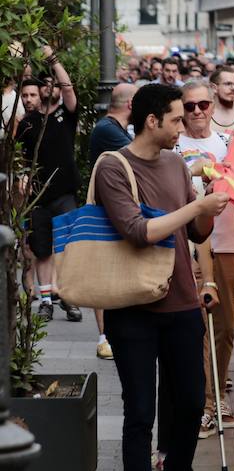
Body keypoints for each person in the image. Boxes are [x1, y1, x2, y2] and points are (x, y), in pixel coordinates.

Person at [95, 83, 229, 471]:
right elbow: (137, 231)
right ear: (152, 121)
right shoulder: (114, 167)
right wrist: (195, 204)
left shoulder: (177, 164)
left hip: (181, 303)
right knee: (139, 413)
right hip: (133, 308)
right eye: (176, 118)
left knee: (191, 401)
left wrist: (209, 203)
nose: (183, 126)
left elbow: (194, 231)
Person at [174, 81, 234, 437]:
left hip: (227, 240)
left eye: (203, 104)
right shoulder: (174, 146)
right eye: (190, 106)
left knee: (226, 326)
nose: (197, 111)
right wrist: (191, 170)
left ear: (214, 105)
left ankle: (218, 393)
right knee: (198, 325)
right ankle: (206, 403)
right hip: (188, 246)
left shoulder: (231, 144)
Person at [17, 49, 82, 323]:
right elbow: (19, 155)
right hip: (38, 196)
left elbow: (68, 89)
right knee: (41, 250)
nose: (47, 88)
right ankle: (46, 300)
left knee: (66, 250)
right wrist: (21, 174)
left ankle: (69, 297)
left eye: (50, 84)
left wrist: (54, 60)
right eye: (41, 86)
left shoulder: (66, 115)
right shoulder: (28, 123)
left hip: (65, 193)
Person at [88, 82, 137, 359]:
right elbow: (137, 155)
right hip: (104, 214)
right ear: (130, 105)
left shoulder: (111, 128)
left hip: (110, 212)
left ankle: (112, 334)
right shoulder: (108, 130)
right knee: (103, 277)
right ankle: (104, 337)